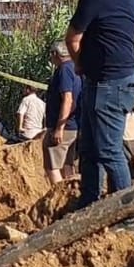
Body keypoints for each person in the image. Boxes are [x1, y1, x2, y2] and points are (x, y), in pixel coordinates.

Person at [66, 0, 134, 210]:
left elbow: (73, 38)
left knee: (109, 150)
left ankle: (126, 212)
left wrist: (79, 65)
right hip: (121, 79)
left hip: (106, 82)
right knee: (88, 146)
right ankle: (90, 203)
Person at [43, 42, 82, 184]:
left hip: (64, 127)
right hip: (74, 126)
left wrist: (59, 128)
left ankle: (58, 198)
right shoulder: (75, 68)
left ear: (55, 54)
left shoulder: (64, 70)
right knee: (68, 167)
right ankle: (72, 198)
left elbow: (67, 99)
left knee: (52, 167)